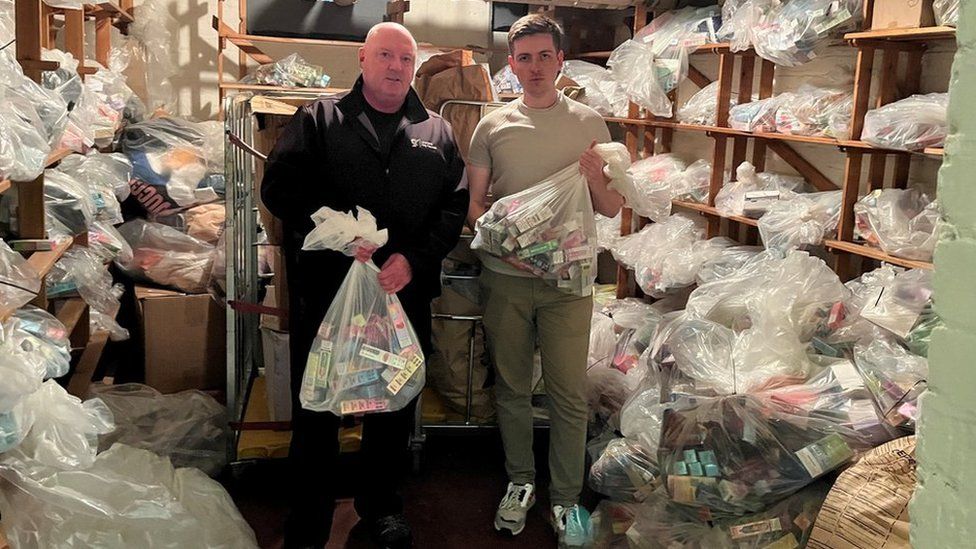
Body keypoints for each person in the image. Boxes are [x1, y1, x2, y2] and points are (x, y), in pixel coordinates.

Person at [261, 22, 468, 549]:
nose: (396, 67)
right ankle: (309, 515)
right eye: (385, 55)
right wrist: (333, 232)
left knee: (393, 406)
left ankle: (382, 509)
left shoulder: (435, 132)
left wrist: (414, 260)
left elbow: (453, 206)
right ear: (362, 58)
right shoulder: (320, 118)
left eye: (406, 58)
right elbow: (280, 188)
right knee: (318, 407)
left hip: (401, 295)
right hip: (329, 297)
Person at [466, 13, 624, 542]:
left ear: (560, 61)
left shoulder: (590, 125)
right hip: (505, 276)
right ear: (511, 64)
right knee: (510, 387)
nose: (534, 67)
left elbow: (609, 207)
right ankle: (519, 482)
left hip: (568, 282)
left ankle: (564, 498)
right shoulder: (491, 127)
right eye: (524, 57)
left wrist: (595, 180)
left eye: (544, 57)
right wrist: (513, 243)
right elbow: (475, 210)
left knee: (567, 393)